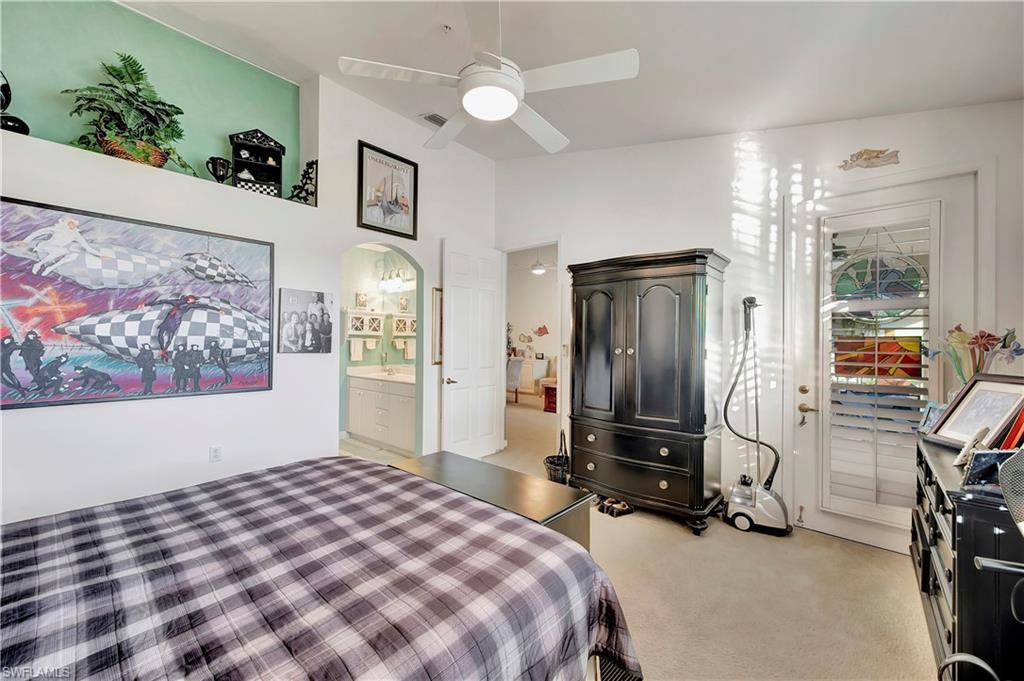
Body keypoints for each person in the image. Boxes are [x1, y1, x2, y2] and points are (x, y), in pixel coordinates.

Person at [22, 217, 104, 276]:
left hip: (57, 250)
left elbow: (87, 247)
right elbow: (38, 233)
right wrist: (25, 241)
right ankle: (39, 264)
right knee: (62, 250)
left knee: (74, 255)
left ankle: (50, 268)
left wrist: (100, 255)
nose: (74, 226)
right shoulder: (57, 228)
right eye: (72, 223)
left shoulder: (76, 234)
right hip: (45, 247)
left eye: (75, 225)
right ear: (67, 223)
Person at [147, 295, 220, 357]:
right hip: (170, 320)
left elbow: (203, 305)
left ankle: (164, 351)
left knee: (168, 338)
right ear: (189, 298)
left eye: (194, 300)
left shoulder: (188, 305)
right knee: (161, 335)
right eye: (193, 299)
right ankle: (163, 350)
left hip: (174, 322)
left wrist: (217, 309)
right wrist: (147, 304)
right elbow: (163, 301)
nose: (194, 301)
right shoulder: (178, 302)